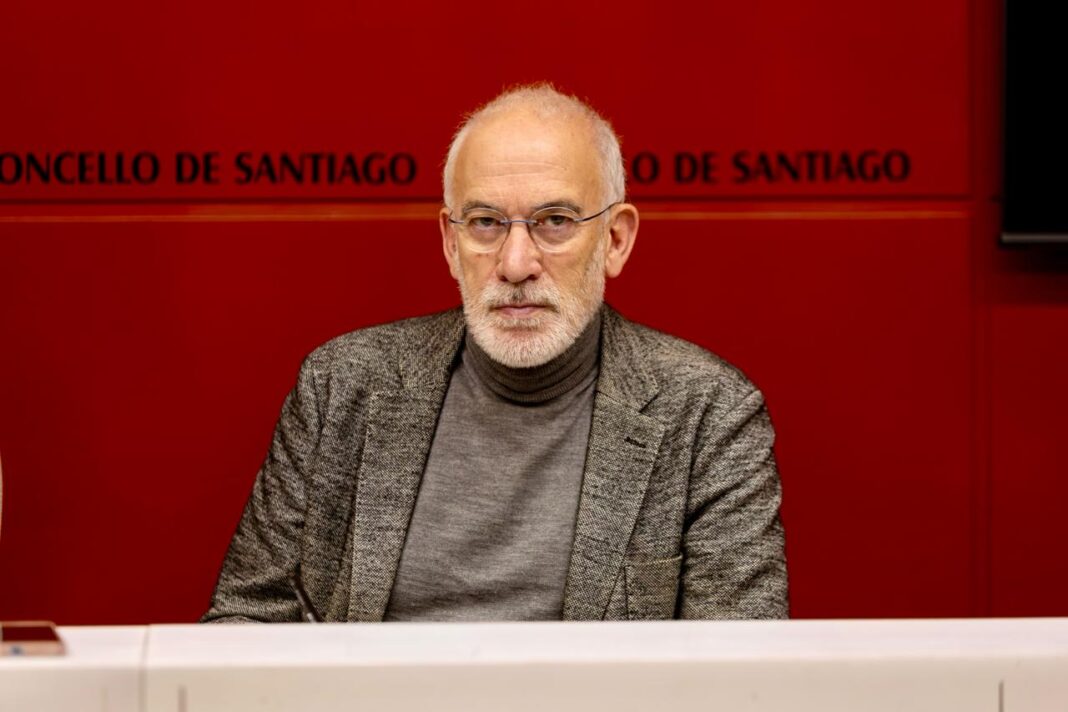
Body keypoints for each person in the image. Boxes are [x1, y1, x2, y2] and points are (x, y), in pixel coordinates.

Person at [202, 83, 788, 623]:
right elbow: (241, 626)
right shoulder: (341, 386)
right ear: (449, 243)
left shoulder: (709, 413)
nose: (515, 264)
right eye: (485, 223)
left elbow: (741, 669)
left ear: (615, 240)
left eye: (554, 221)